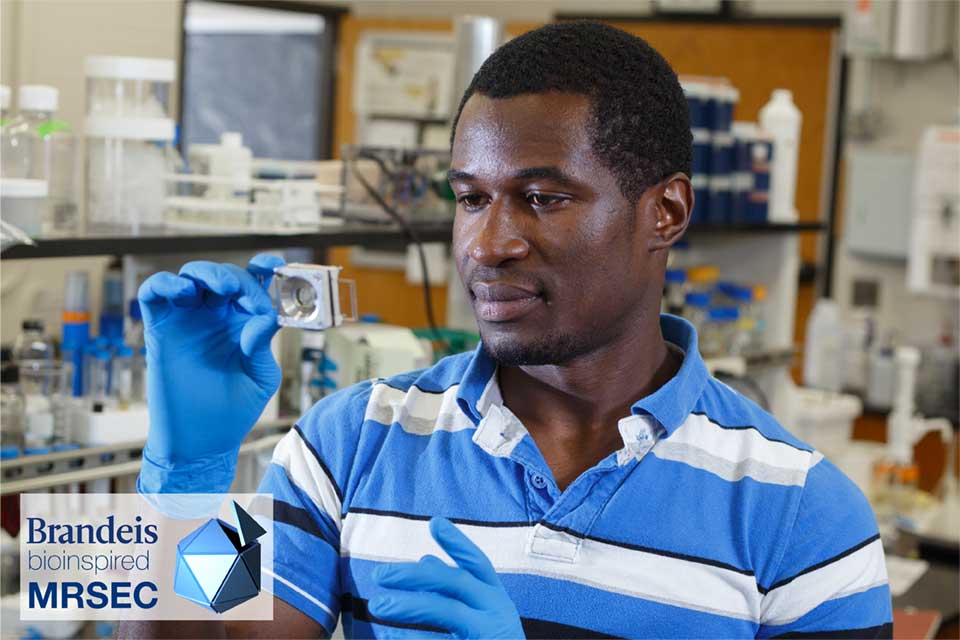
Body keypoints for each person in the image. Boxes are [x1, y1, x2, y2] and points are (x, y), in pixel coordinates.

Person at [122, 21, 892, 640]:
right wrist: (182, 489)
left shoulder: (803, 515)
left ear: (666, 213)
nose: (487, 244)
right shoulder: (348, 443)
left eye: (542, 198)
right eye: (469, 198)